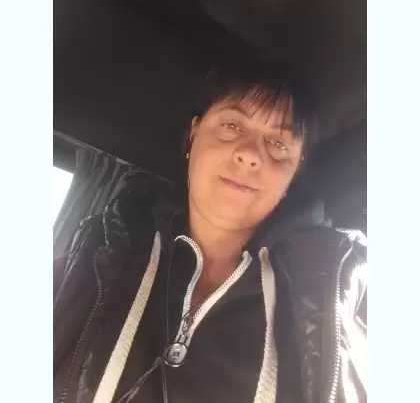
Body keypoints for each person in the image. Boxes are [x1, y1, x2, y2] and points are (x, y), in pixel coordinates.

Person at [53, 64, 367, 403]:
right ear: (194, 134)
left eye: (278, 143)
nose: (250, 154)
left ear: (293, 173)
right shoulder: (94, 258)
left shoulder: (338, 295)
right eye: (232, 126)